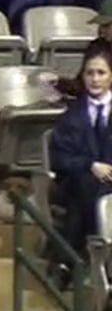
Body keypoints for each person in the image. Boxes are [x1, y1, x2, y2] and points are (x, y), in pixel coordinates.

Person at [47, 50, 112, 263]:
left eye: (101, 73)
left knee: (82, 202)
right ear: (83, 77)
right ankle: (95, 258)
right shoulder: (70, 117)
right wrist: (90, 165)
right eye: (89, 73)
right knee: (86, 187)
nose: (95, 79)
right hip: (78, 181)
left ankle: (67, 260)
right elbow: (60, 159)